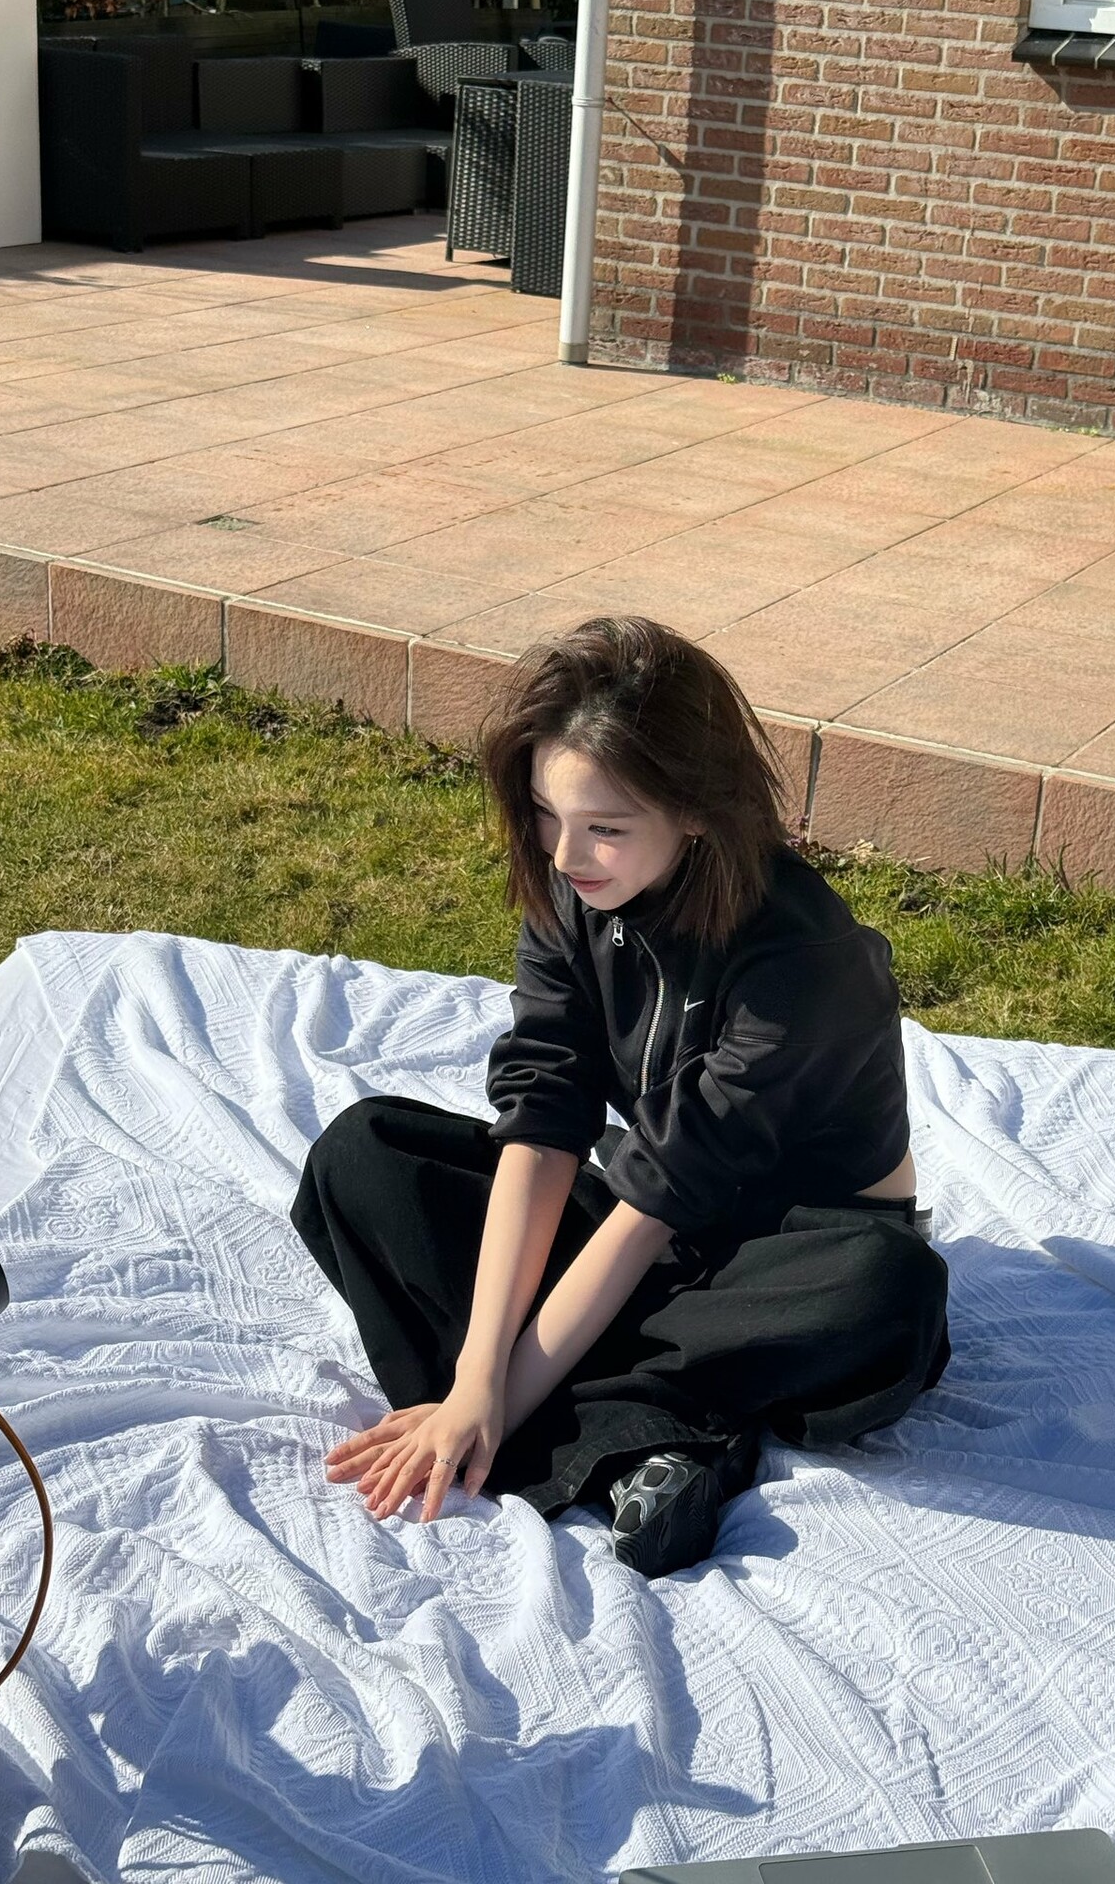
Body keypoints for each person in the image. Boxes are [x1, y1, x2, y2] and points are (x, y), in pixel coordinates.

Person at [289, 616, 951, 1579]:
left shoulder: (805, 959)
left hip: (792, 1251)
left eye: (605, 827)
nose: (566, 855)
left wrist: (495, 1394)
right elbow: (546, 1119)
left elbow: (663, 1194)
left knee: (886, 1296)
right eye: (546, 814)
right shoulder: (573, 890)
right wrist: (479, 1377)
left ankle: (554, 1432)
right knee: (365, 1154)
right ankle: (643, 1434)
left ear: (697, 810)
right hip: (645, 1228)